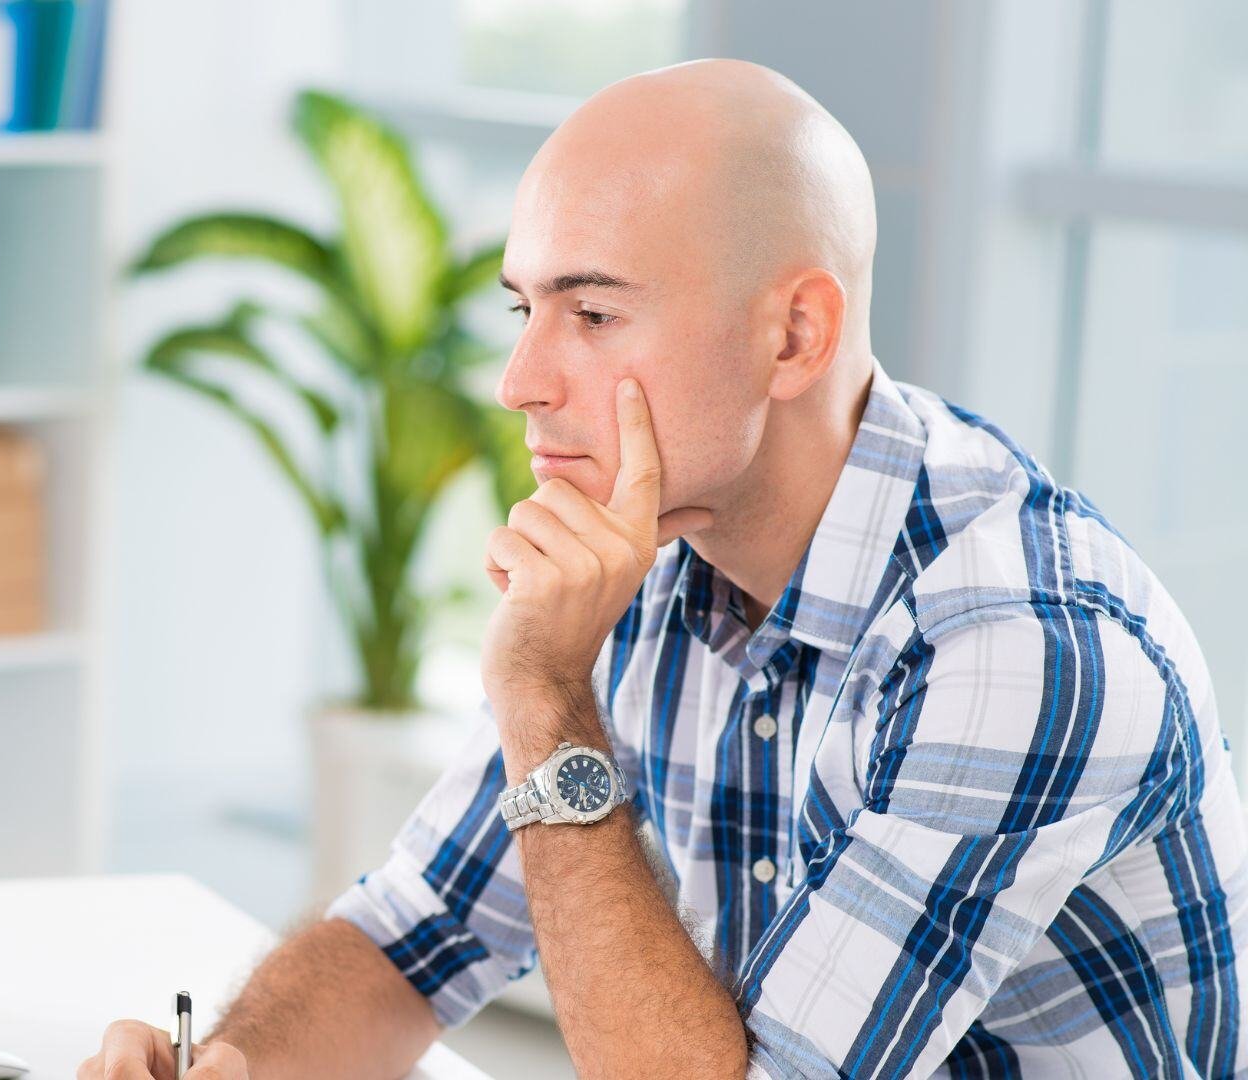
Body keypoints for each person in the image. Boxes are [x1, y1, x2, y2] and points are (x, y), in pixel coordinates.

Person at [80, 58, 1247, 1079]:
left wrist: (544, 696)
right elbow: (413, 935)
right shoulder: (650, 549)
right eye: (524, 308)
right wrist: (230, 1065)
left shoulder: (1020, 645)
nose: (521, 379)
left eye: (591, 314)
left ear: (794, 335)